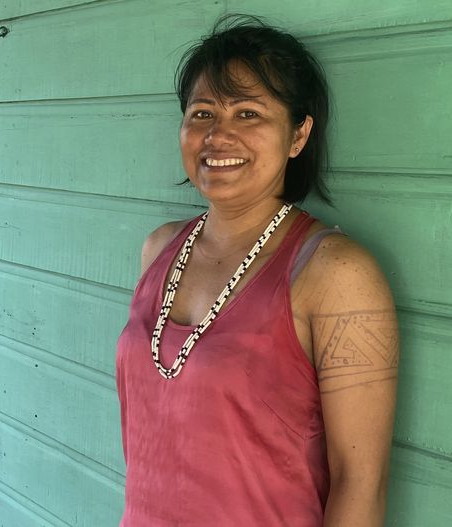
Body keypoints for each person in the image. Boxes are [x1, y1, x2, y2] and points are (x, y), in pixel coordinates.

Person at [116, 15, 398, 526]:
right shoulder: (160, 250)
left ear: (298, 134)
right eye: (202, 113)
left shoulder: (335, 273)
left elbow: (361, 480)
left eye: (248, 113)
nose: (218, 136)